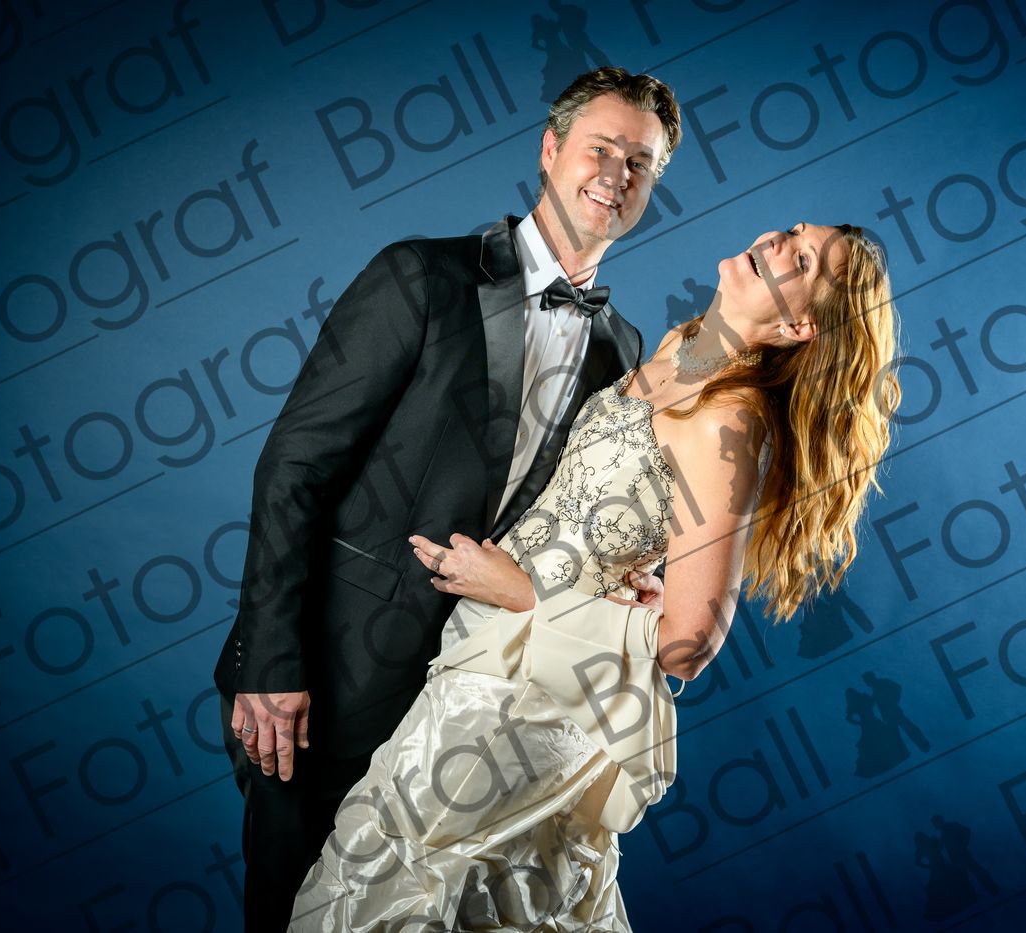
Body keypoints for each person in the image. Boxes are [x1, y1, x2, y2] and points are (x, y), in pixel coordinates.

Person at [287, 220, 903, 929]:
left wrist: (521, 591)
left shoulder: (729, 422)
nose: (775, 242)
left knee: (406, 886)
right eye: (791, 231)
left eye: (801, 259)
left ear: (799, 327)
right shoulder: (676, 348)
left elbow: (689, 645)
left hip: (532, 698)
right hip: (480, 656)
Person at [211, 66, 683, 933]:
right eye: (602, 149)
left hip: (473, 705)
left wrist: (629, 579)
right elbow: (292, 468)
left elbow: (573, 519)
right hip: (330, 677)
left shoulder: (623, 350)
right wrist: (270, 665)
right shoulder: (420, 277)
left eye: (640, 163)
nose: (617, 175)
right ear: (550, 150)